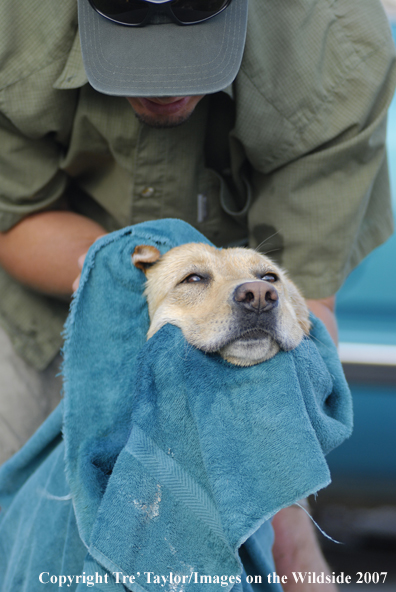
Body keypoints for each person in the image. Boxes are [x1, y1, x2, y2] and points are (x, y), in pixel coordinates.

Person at [0, 0, 395, 589]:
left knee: (281, 556)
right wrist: (123, 272)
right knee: (27, 537)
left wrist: (287, 519)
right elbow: (13, 219)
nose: (164, 91)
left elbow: (304, 303)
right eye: (135, 66)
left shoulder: (335, 45)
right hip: (41, 314)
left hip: (235, 379)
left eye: (191, 64)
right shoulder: (13, 23)